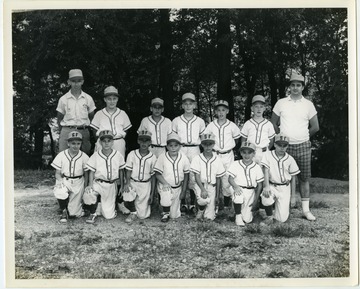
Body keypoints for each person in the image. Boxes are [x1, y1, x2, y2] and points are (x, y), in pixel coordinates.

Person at [271, 73, 319, 221]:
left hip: (303, 145)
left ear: (303, 87)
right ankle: (281, 207)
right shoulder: (281, 103)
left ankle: (306, 210)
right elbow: (273, 123)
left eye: (298, 85)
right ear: (289, 87)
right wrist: (282, 139)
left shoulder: (308, 104)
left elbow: (315, 127)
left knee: (304, 178)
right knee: (282, 177)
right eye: (293, 85)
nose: (295, 88)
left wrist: (303, 136)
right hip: (284, 147)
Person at [204, 100, 241, 217]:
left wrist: (228, 148)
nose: (221, 113)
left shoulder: (232, 125)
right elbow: (206, 140)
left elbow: (236, 139)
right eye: (218, 110)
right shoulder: (211, 125)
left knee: (226, 180)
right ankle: (213, 203)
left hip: (228, 154)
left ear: (227, 111)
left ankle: (225, 205)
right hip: (215, 154)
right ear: (215, 112)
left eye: (223, 110)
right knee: (213, 178)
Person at [172, 92, 205, 215]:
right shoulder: (176, 120)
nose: (188, 106)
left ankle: (192, 203)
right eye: (185, 104)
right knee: (180, 173)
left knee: (193, 175)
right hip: (181, 148)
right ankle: (181, 203)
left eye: (190, 103)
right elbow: (173, 138)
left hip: (194, 148)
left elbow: (203, 138)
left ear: (194, 105)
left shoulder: (200, 121)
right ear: (182, 105)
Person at [83, 130, 125, 224]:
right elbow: (91, 171)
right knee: (88, 193)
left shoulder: (117, 155)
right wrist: (90, 185)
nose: (106, 143)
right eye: (104, 141)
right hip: (98, 182)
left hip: (111, 184)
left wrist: (122, 185)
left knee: (108, 216)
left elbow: (121, 170)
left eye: (109, 140)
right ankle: (93, 213)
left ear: (113, 142)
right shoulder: (96, 155)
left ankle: (103, 205)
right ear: (100, 142)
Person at [260, 134, 300, 224]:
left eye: (284, 145)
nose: (282, 148)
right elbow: (265, 170)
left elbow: (293, 178)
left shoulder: (290, 159)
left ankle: (279, 212)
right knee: (266, 197)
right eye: (279, 145)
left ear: (287, 146)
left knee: (281, 219)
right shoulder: (268, 155)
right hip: (272, 185)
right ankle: (269, 217)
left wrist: (293, 196)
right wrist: (266, 186)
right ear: (275, 145)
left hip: (285, 188)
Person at [51, 131, 89, 223]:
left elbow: (86, 173)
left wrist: (86, 186)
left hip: (79, 181)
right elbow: (57, 173)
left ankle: (75, 208)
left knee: (74, 214)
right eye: (73, 143)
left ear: (81, 144)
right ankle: (63, 210)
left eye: (78, 143)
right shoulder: (61, 155)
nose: (75, 146)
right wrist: (60, 181)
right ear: (68, 143)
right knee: (60, 190)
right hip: (65, 179)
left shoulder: (84, 156)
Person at [56, 69, 96, 155]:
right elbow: (59, 118)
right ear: (69, 82)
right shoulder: (63, 99)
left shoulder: (88, 98)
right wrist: (63, 131)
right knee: (63, 156)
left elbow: (92, 117)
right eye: (73, 81)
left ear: (82, 82)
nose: (76, 84)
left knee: (85, 157)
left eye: (78, 81)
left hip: (83, 130)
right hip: (67, 129)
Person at [122, 131, 157, 223]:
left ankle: (137, 208)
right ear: (138, 141)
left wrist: (152, 193)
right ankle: (132, 211)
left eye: (146, 141)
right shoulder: (132, 154)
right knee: (127, 193)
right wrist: (127, 182)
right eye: (142, 140)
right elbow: (128, 170)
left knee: (143, 216)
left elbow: (153, 177)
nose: (144, 143)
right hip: (133, 182)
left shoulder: (153, 157)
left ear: (150, 142)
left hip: (145, 184)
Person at [154, 132, 190, 222]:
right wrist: (165, 183)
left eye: (176, 145)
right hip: (165, 185)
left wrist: (184, 191)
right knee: (166, 194)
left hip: (178, 187)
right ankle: (165, 213)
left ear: (180, 146)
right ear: (166, 146)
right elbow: (157, 173)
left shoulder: (184, 158)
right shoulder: (162, 157)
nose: (173, 148)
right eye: (170, 145)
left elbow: (186, 175)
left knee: (174, 216)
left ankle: (169, 209)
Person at [190, 133, 226, 221]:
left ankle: (206, 211)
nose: (208, 147)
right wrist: (202, 189)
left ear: (214, 144)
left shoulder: (217, 159)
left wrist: (217, 195)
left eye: (210, 144)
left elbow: (218, 178)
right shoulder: (197, 158)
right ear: (202, 144)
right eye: (205, 144)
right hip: (200, 185)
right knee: (203, 200)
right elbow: (196, 175)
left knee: (209, 218)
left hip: (212, 186)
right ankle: (199, 210)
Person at [227, 142, 264, 226]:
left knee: (247, 220)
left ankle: (236, 211)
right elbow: (230, 178)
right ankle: (238, 216)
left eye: (249, 152)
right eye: (244, 152)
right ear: (240, 153)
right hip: (237, 188)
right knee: (238, 197)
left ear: (254, 154)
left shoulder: (257, 167)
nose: (247, 155)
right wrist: (235, 187)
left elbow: (260, 185)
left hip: (250, 191)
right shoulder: (236, 164)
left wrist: (256, 200)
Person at [90, 85, 132, 158]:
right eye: (109, 99)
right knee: (101, 165)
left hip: (118, 142)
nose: (112, 101)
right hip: (103, 142)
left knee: (118, 165)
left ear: (117, 99)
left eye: (114, 99)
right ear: (105, 99)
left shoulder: (122, 113)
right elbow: (94, 130)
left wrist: (119, 139)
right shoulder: (99, 113)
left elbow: (126, 130)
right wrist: (100, 141)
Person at [240, 95, 275, 165]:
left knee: (265, 172)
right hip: (251, 152)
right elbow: (243, 140)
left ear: (264, 108)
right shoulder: (248, 123)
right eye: (256, 106)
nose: (259, 109)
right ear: (252, 108)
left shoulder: (268, 124)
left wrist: (265, 149)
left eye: (261, 106)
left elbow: (271, 141)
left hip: (264, 153)